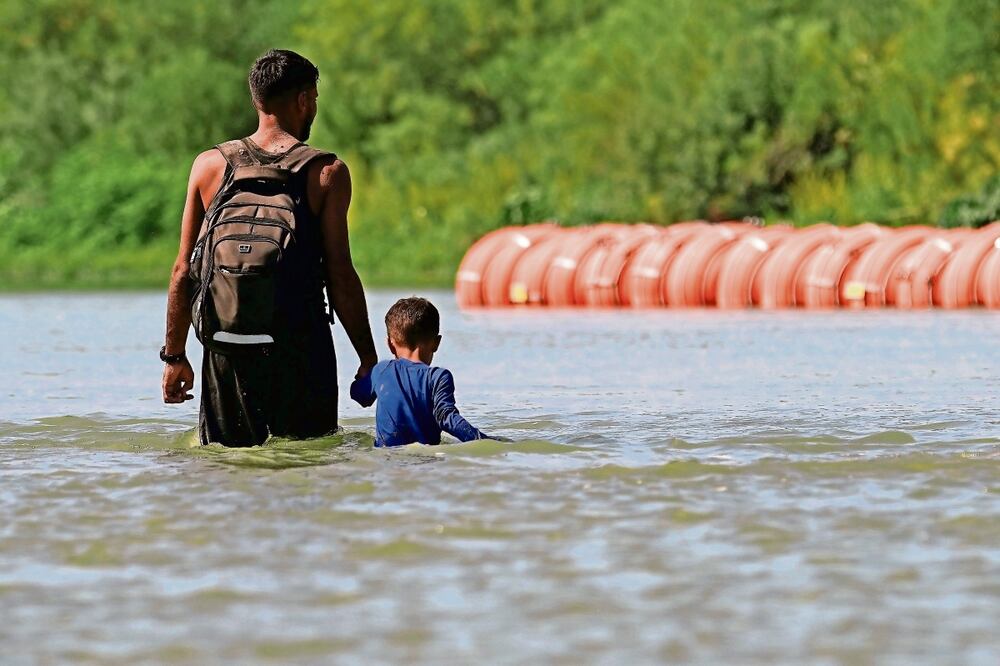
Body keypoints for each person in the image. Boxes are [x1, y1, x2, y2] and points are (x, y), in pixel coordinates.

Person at [161, 49, 377, 446]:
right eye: (314, 98)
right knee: (309, 456)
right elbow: (340, 274)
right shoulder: (326, 173)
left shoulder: (209, 166)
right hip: (301, 348)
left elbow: (182, 271)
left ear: (256, 99)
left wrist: (175, 357)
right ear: (304, 100)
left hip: (226, 348)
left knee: (226, 462)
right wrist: (368, 358)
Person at [350, 297, 492, 447]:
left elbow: (359, 396)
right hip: (427, 458)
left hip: (387, 457)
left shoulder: (381, 370)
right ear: (436, 343)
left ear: (390, 345)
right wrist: (485, 440)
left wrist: (363, 375)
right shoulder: (438, 377)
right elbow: (446, 417)